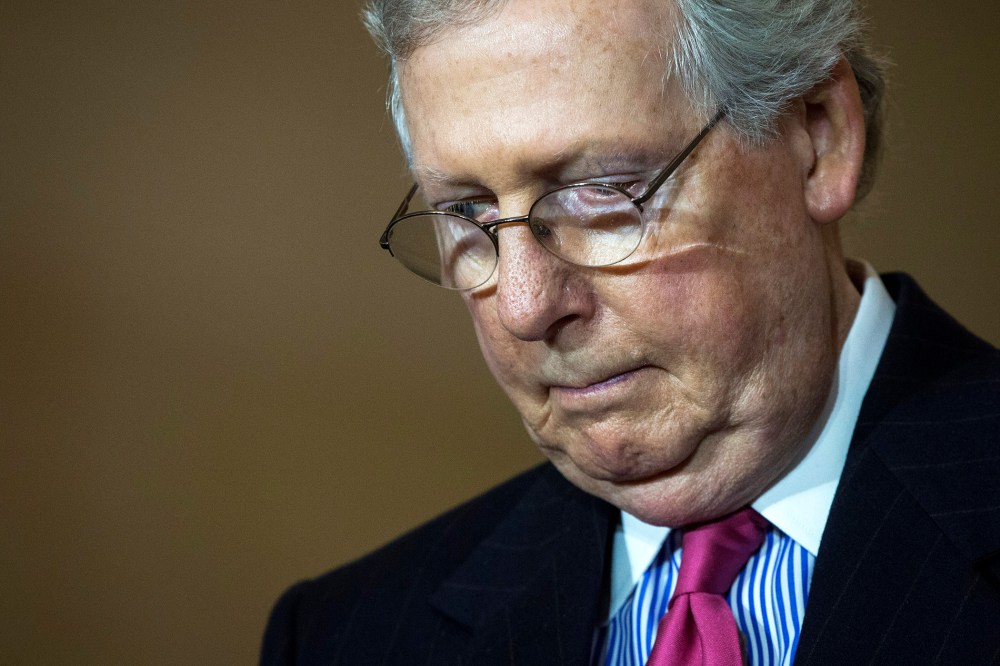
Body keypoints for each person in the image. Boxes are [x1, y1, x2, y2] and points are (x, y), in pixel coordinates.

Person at [261, 0, 1000, 663]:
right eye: (468, 216)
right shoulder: (341, 637)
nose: (523, 307)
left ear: (819, 135)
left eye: (601, 193)